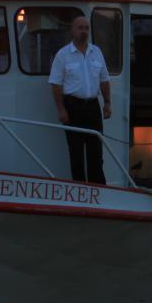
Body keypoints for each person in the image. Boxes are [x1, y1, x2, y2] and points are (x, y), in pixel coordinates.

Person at [48, 16, 111, 184]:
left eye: (86, 28)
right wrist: (61, 109)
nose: (84, 31)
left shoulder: (96, 52)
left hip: (92, 107)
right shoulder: (63, 55)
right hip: (73, 107)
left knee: (96, 152)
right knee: (76, 152)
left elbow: (104, 79)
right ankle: (79, 191)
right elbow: (55, 83)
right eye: (80, 28)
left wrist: (107, 102)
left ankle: (99, 190)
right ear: (72, 31)